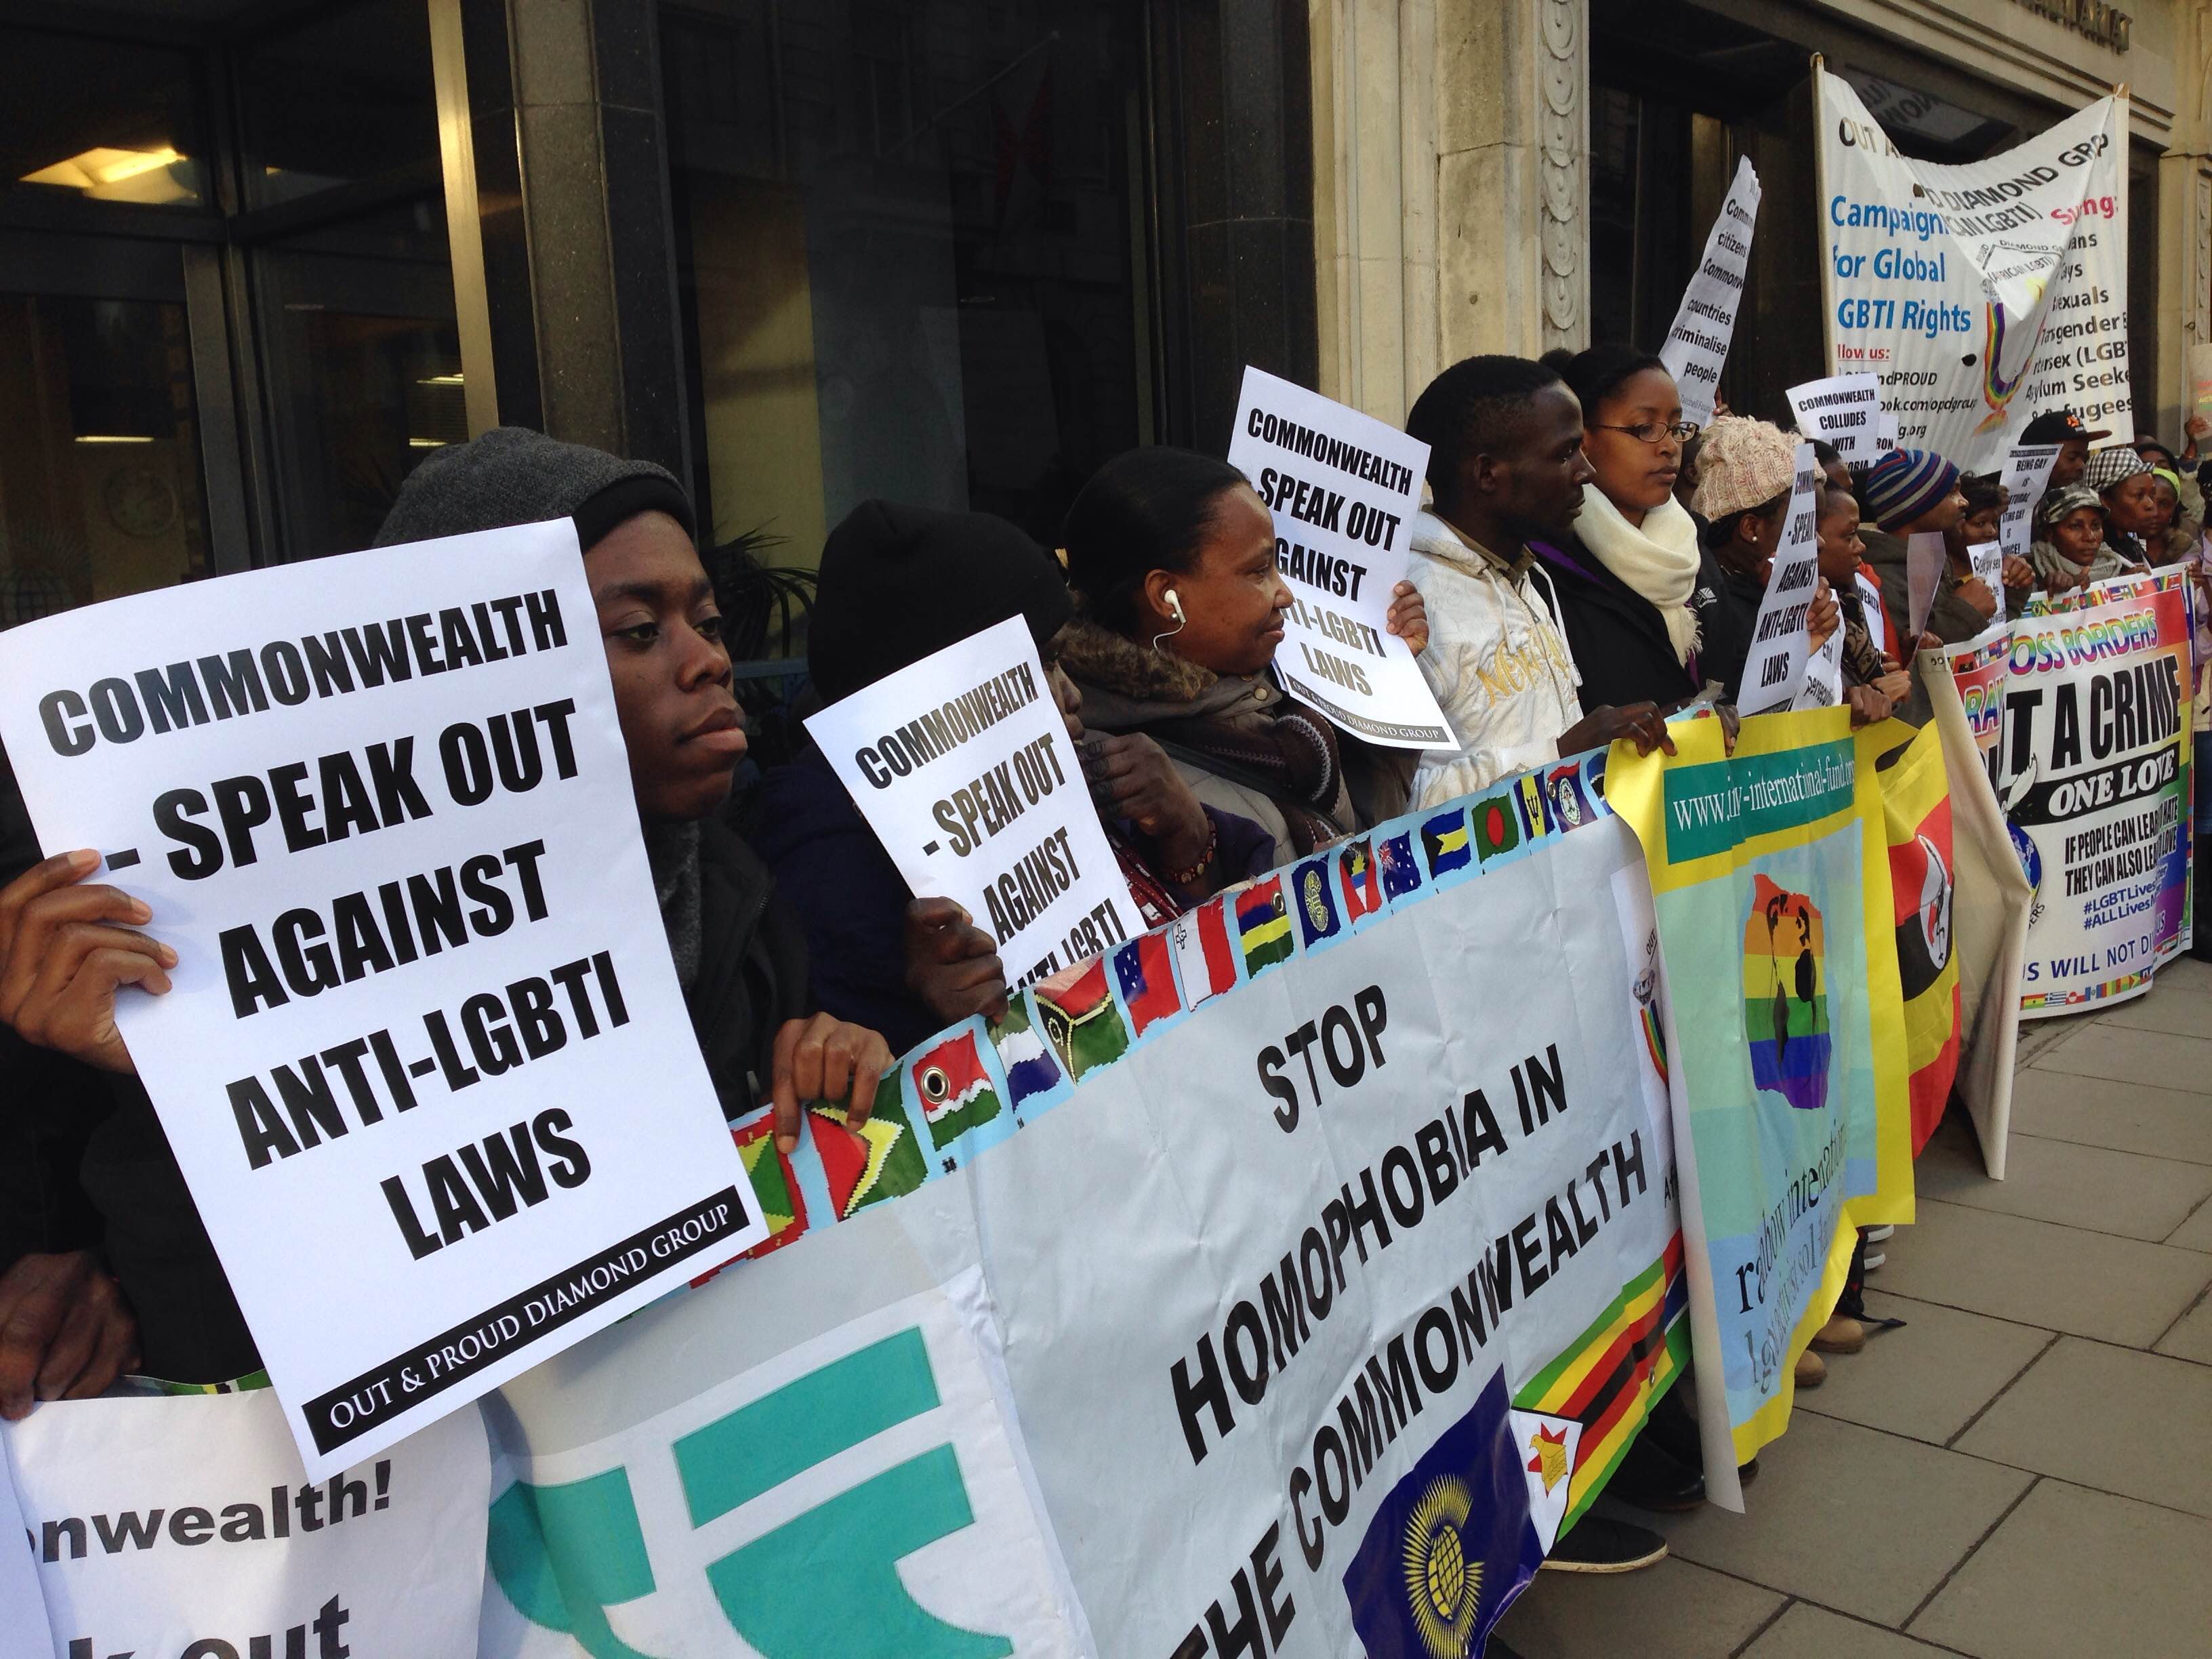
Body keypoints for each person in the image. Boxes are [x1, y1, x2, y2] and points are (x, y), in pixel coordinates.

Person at [0, 428, 895, 1385]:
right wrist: (175, 1084)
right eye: (639, 631)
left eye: (708, 623)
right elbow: (246, 1350)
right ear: (482, 680)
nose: (709, 661)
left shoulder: (731, 895)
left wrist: (838, 1067)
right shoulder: (213, 965)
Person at [750, 499, 1274, 1051]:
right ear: (952, 694)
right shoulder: (831, 851)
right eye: (1040, 665)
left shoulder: (1077, 773)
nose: (1072, 693)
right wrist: (942, 1025)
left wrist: (1187, 839)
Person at [1055, 447, 1428, 855]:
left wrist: (1385, 689)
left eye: (1277, 566)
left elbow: (1363, 860)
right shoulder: (1112, 776)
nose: (1284, 594)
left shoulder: (1281, 700)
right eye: (1258, 571)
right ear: (1167, 597)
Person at [1396, 354, 1675, 810]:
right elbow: (1396, 806)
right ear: (1488, 473)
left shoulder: (1524, 577)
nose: (1587, 471)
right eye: (1565, 453)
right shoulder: (1409, 599)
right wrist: (1558, 757)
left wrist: (1673, 729)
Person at [1530, 346, 1751, 710]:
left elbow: (1733, 674)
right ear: (1582, 440)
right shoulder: (1545, 568)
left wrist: (1799, 645)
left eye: (1676, 428)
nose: (1669, 448)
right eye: (1644, 428)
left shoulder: (1694, 549)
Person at [1686, 413, 1841, 705]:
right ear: (1751, 528)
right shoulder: (1699, 605)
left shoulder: (1789, 595)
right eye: (1804, 524)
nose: (1819, 542)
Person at [1855, 446, 1992, 653]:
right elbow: (1906, 659)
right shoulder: (1880, 577)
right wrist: (1966, 611)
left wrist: (2013, 590)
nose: (1964, 502)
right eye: (1952, 492)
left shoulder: (1930, 558)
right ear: (1916, 503)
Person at [2029, 483, 2144, 592]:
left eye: (2096, 526)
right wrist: (2047, 592)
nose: (2090, 537)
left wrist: (2126, 583)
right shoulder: (2029, 573)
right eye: (2076, 527)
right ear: (2049, 533)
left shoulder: (2118, 565)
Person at [2083, 445, 2163, 569]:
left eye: (2152, 495)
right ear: (2103, 501)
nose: (2150, 504)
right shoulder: (2088, 553)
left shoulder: (2131, 545)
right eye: (2139, 495)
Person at [2018, 407, 2110, 491]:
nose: (2082, 466)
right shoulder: (2008, 505)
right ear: (2036, 459)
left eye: (2085, 458)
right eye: (2072, 458)